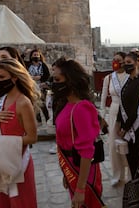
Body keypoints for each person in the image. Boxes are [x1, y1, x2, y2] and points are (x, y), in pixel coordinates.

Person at [0, 58, 40, 208]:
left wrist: (4, 143)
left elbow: (32, 137)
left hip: (18, 163)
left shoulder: (23, 103)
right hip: (0, 165)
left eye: (2, 77)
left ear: (14, 78)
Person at [51, 57, 105, 208]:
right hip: (71, 167)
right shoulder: (66, 104)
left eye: (57, 79)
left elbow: (87, 151)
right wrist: (65, 173)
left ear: (70, 81)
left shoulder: (81, 108)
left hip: (83, 172)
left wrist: (80, 188)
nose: (54, 83)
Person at [100, 52, 129, 186]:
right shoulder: (109, 78)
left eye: (119, 60)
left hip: (128, 112)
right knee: (113, 144)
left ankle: (129, 174)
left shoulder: (130, 77)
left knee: (127, 143)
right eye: (114, 60)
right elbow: (104, 96)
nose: (115, 62)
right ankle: (117, 175)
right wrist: (102, 115)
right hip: (113, 111)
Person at [117, 51, 139, 181]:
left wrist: (125, 127)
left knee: (136, 158)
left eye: (129, 63)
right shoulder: (128, 80)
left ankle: (138, 185)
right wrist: (120, 123)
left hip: (136, 127)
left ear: (137, 63)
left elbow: (136, 108)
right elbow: (122, 102)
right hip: (127, 124)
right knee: (130, 159)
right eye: (125, 63)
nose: (125, 65)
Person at [27, 49, 50, 123]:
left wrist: (40, 77)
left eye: (37, 55)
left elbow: (47, 75)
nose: (36, 56)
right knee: (34, 103)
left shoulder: (43, 65)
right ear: (31, 56)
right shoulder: (28, 65)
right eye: (34, 55)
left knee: (42, 103)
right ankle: (38, 119)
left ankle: (47, 119)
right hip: (31, 86)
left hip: (41, 86)